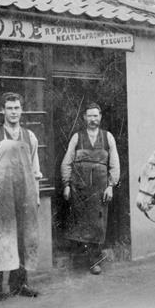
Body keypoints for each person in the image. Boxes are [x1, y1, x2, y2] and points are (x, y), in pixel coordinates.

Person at [0, 92, 42, 306]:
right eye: (10, 108)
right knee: (0, 240)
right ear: (2, 110)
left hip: (25, 195)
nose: (13, 112)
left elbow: (35, 171)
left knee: (24, 239)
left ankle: (19, 284)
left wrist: (37, 196)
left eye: (17, 108)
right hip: (2, 196)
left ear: (21, 110)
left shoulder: (30, 137)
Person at [61, 103, 120, 275]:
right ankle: (80, 260)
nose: (93, 119)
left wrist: (111, 186)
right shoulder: (77, 137)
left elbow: (115, 165)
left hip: (100, 190)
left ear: (100, 117)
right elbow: (67, 162)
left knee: (98, 225)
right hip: (79, 189)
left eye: (96, 116)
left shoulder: (108, 137)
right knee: (80, 223)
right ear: (84, 118)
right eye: (90, 116)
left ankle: (95, 260)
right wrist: (66, 185)